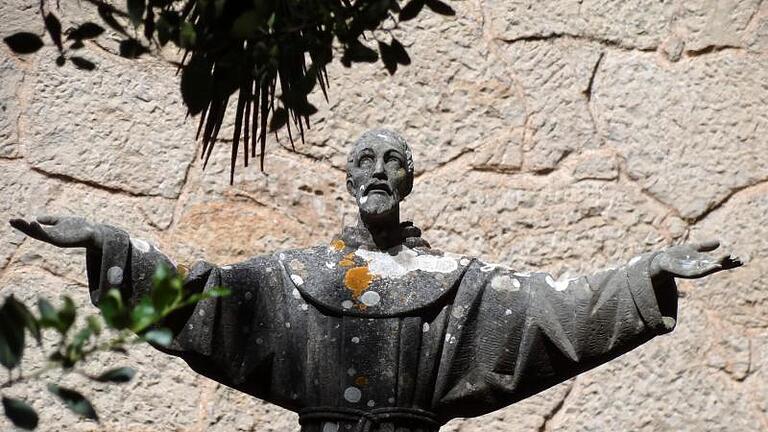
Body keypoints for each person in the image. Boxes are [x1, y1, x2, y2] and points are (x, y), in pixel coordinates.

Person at [9, 129, 742, 432]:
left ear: (411, 181)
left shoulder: (459, 287)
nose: (379, 172)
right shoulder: (294, 280)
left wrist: (647, 275)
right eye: (366, 160)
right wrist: (110, 245)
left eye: (394, 162)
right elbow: (201, 300)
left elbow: (559, 310)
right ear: (348, 176)